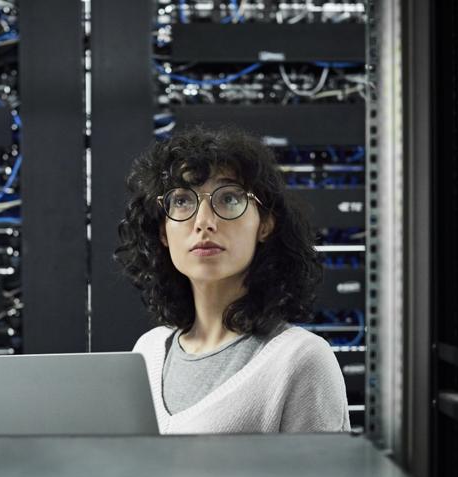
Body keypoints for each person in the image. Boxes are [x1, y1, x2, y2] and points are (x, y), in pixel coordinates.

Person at [116, 126, 350, 435]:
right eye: (183, 201)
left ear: (265, 224)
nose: (203, 223)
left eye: (228, 198)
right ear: (163, 232)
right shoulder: (148, 351)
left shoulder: (300, 360)